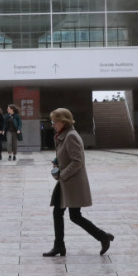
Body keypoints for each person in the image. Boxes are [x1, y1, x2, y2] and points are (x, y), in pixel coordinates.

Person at [44, 107, 113, 257]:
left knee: (74, 216)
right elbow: (66, 155)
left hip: (72, 182)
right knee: (58, 212)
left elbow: (77, 161)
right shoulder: (63, 135)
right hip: (66, 182)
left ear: (63, 121)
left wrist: (62, 174)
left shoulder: (71, 136)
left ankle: (103, 237)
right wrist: (57, 161)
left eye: (54, 121)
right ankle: (59, 246)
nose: (53, 124)